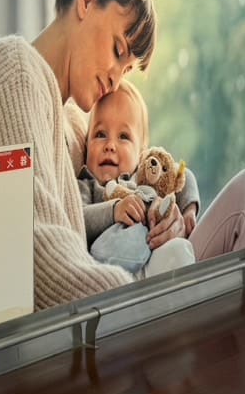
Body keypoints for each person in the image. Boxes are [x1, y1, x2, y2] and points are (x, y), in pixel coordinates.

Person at [0, 0, 245, 310]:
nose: (115, 81)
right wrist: (140, 298)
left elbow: (139, 177)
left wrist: (177, 220)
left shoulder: (74, 123)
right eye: (117, 50)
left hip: (128, 284)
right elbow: (36, 255)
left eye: (126, 70)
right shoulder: (16, 72)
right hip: (120, 303)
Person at [75, 82, 197, 275]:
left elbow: (183, 175)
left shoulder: (144, 177)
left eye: (123, 136)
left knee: (179, 252)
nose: (110, 145)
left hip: (157, 257)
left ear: (141, 152)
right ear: (86, 144)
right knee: (179, 254)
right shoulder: (87, 185)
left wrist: (190, 209)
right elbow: (77, 218)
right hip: (117, 276)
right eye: (100, 134)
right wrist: (114, 210)